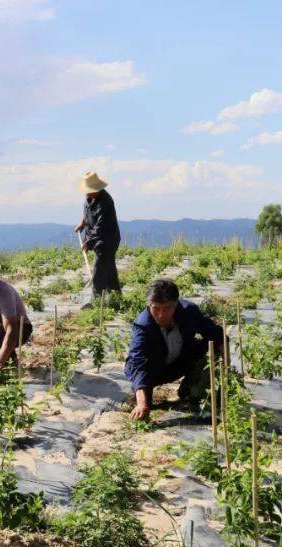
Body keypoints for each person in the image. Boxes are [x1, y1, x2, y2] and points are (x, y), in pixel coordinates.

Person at [125, 278, 223, 420]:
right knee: (145, 402)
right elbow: (139, 363)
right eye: (156, 308)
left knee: (211, 347)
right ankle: (142, 394)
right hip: (154, 369)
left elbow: (214, 333)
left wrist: (223, 365)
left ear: (176, 304)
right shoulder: (143, 325)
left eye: (167, 308)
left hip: (181, 361)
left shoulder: (188, 312)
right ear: (149, 305)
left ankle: (190, 391)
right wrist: (142, 403)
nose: (161, 315)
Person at [74, 171, 122, 296]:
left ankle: (96, 298)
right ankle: (116, 294)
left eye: (89, 190)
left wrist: (88, 242)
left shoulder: (105, 203)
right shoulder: (89, 197)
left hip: (107, 239)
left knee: (99, 269)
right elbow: (87, 213)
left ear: (98, 189)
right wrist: (83, 223)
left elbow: (101, 227)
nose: (87, 193)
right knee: (109, 267)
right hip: (96, 237)